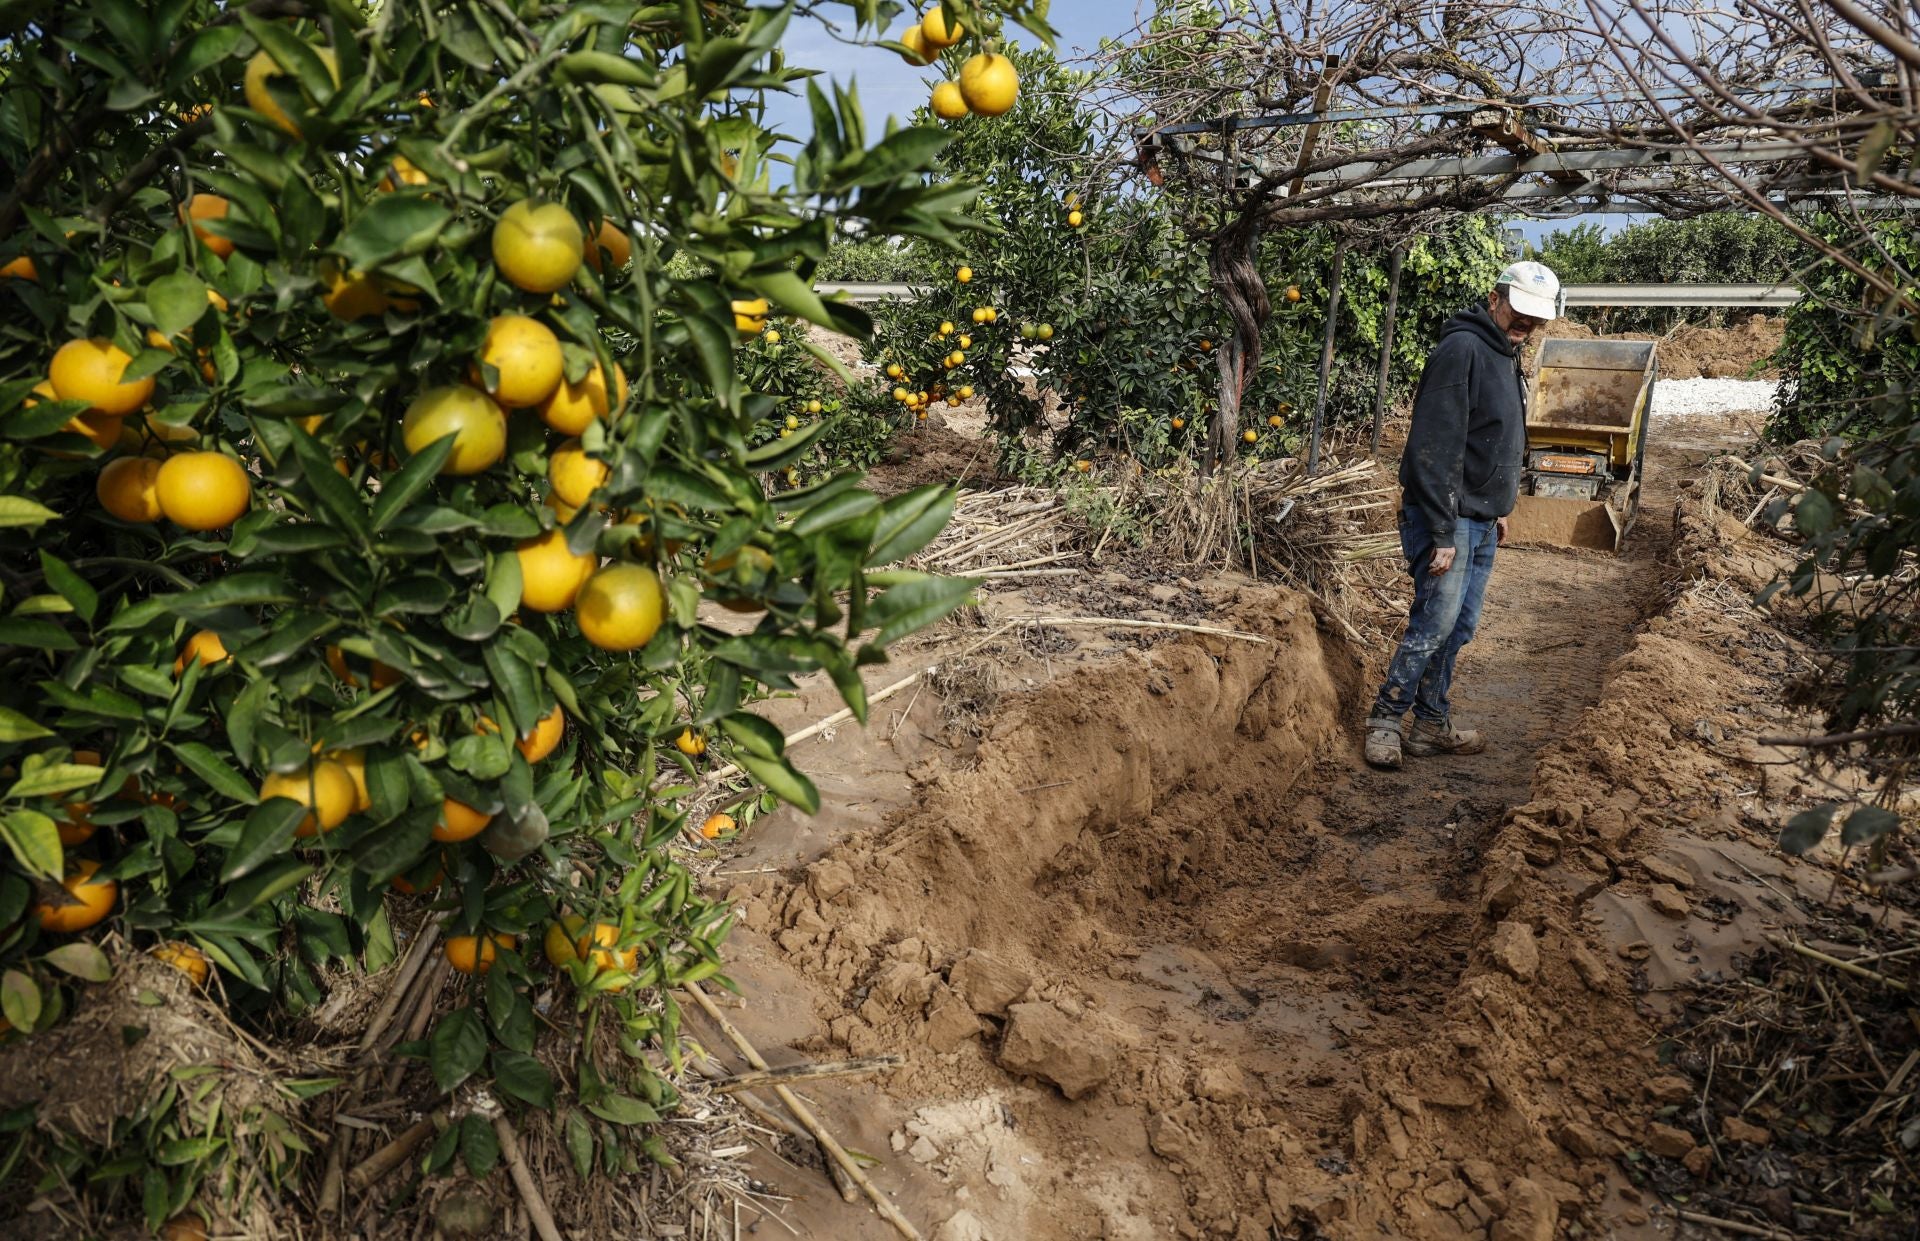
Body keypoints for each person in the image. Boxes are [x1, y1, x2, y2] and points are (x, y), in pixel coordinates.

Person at [1364, 260, 1562, 770]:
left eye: (1535, 320)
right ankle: (1385, 721)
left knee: (1460, 626)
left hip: (1478, 519)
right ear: (1495, 299)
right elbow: (1436, 445)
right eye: (1519, 313)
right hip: (1446, 520)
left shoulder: (1504, 352)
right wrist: (1442, 529)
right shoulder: (1462, 350)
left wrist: (1495, 507)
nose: (1526, 325)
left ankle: (1430, 725)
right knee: (1434, 622)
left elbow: (1487, 438)